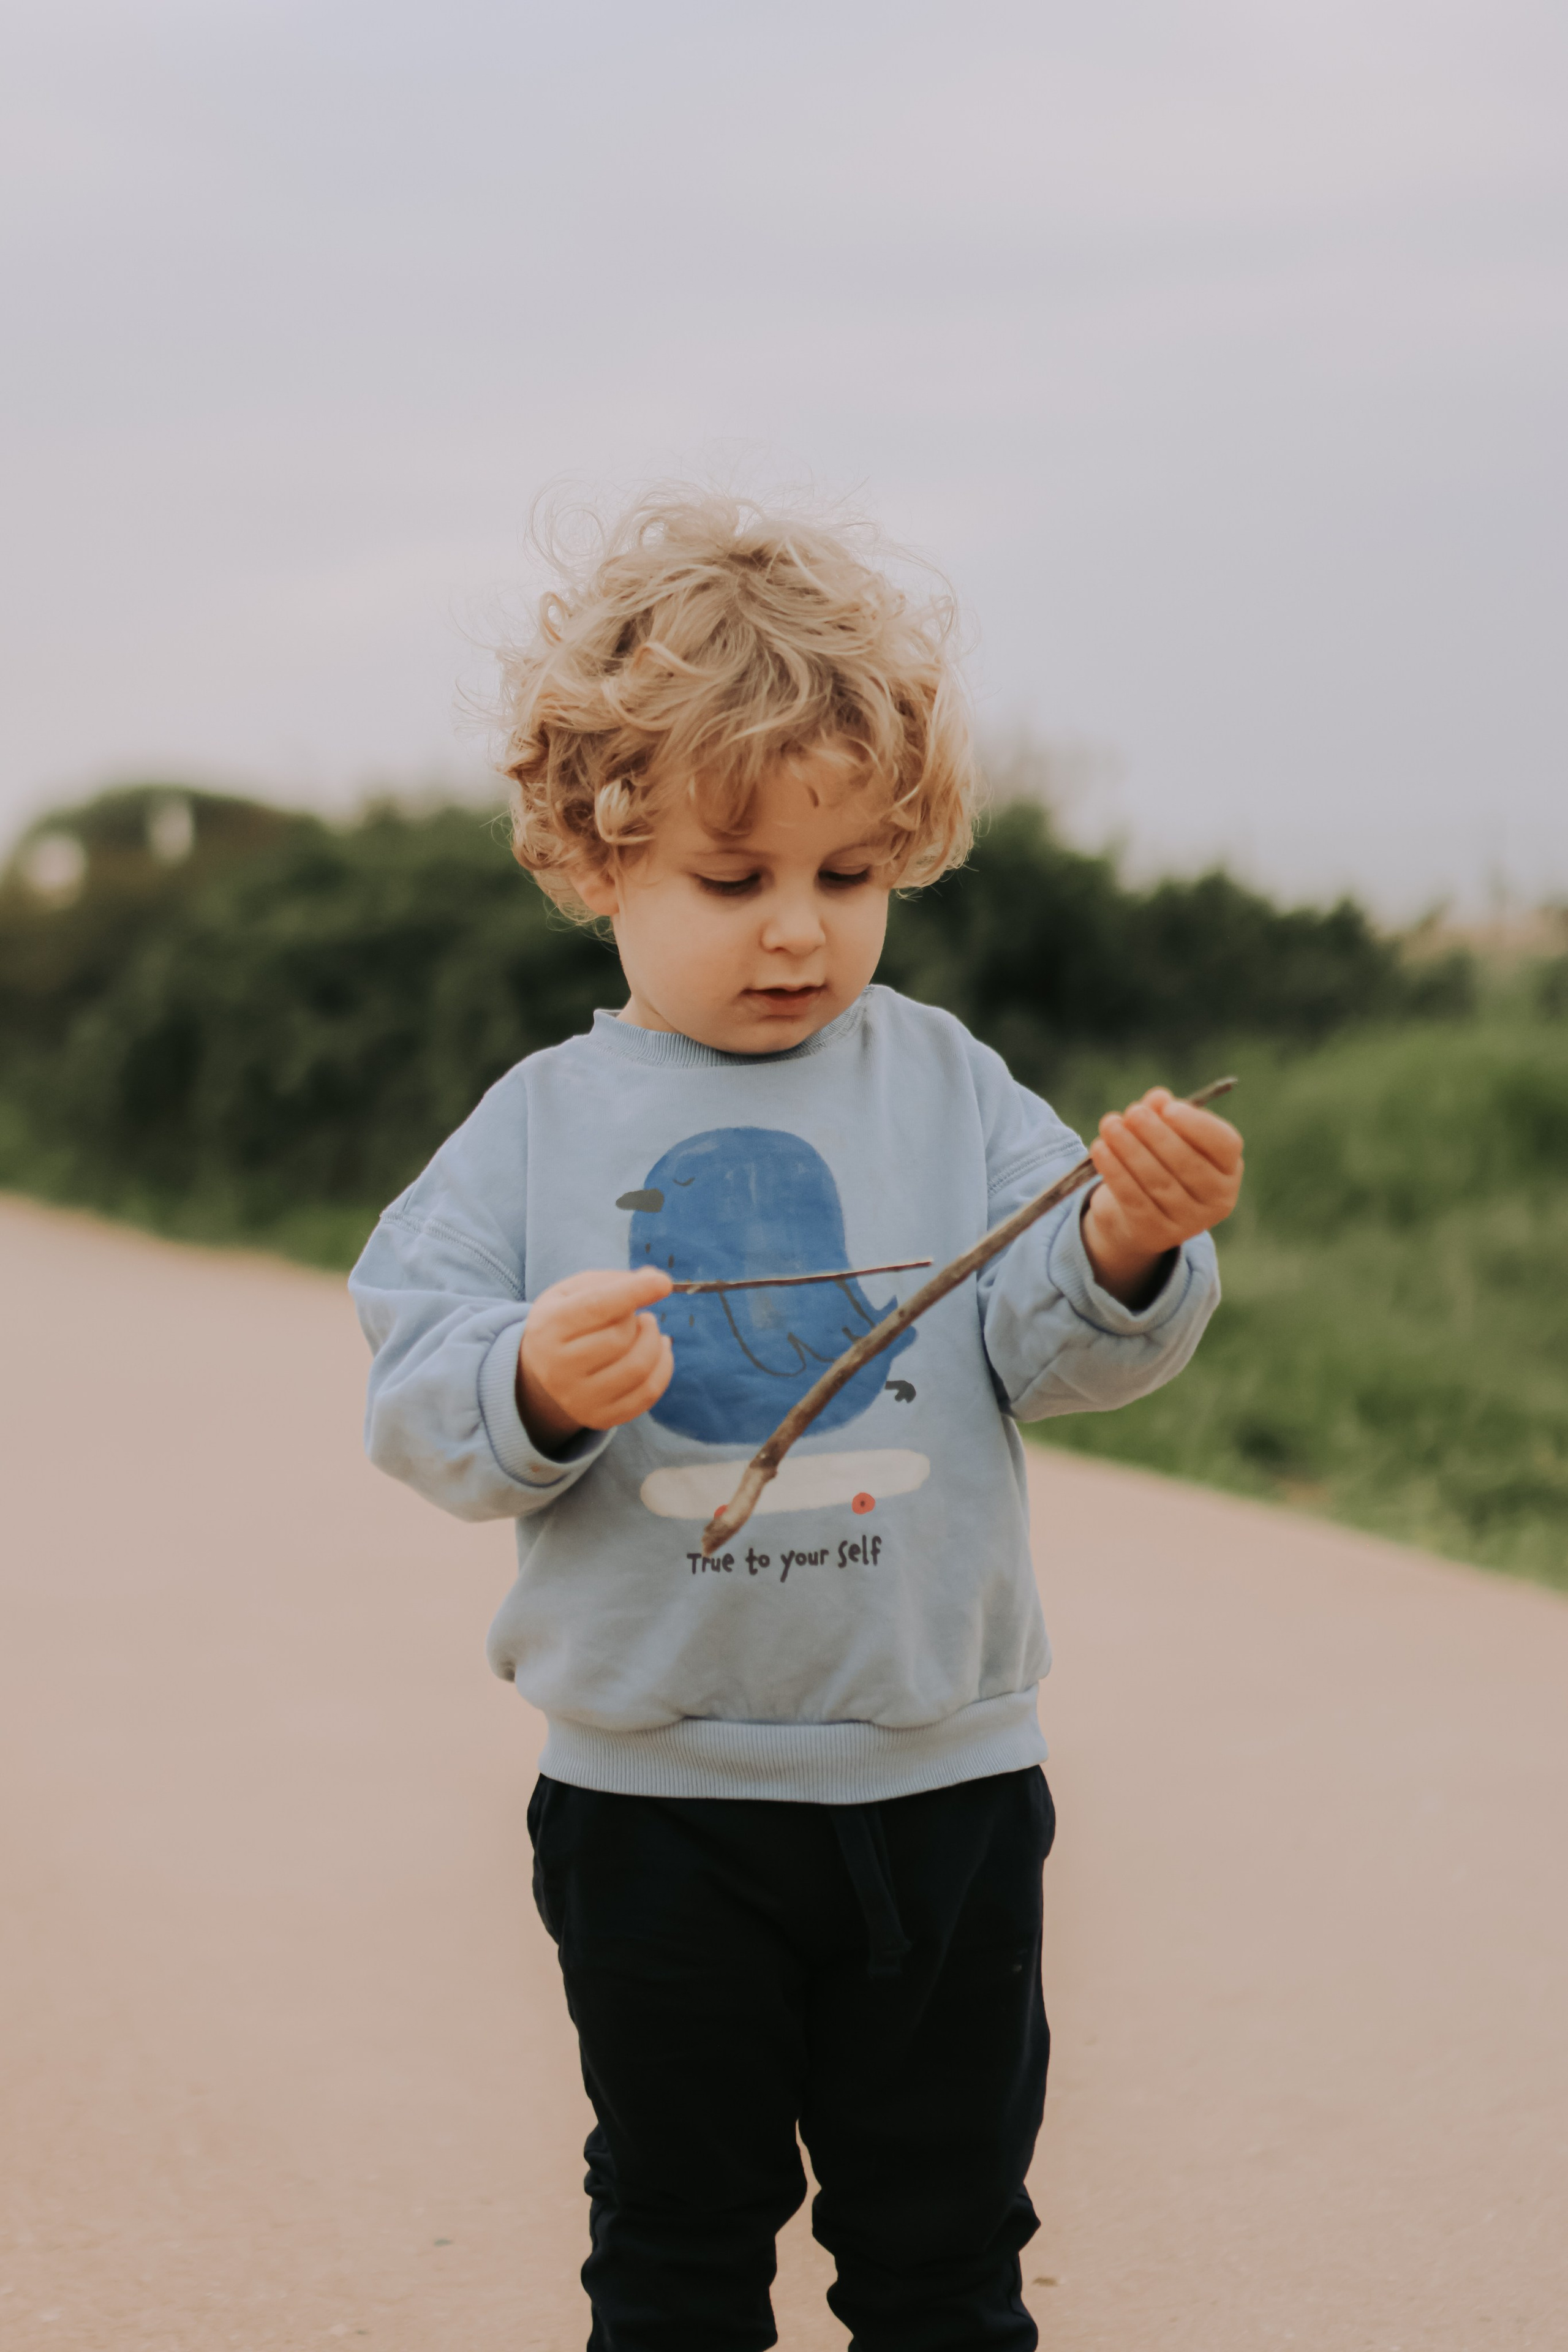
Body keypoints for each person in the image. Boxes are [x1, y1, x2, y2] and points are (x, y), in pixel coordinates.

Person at [349, 491, 1243, 2351]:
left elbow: (1056, 1345)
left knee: (945, 2261)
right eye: (732, 880)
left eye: (848, 879)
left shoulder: (945, 1079)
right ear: (596, 860)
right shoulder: (535, 1127)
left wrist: (1128, 1240)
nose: (798, 935)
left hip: (946, 1786)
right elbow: (415, 1382)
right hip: (655, 1811)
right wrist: (524, 1382)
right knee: (675, 2260)